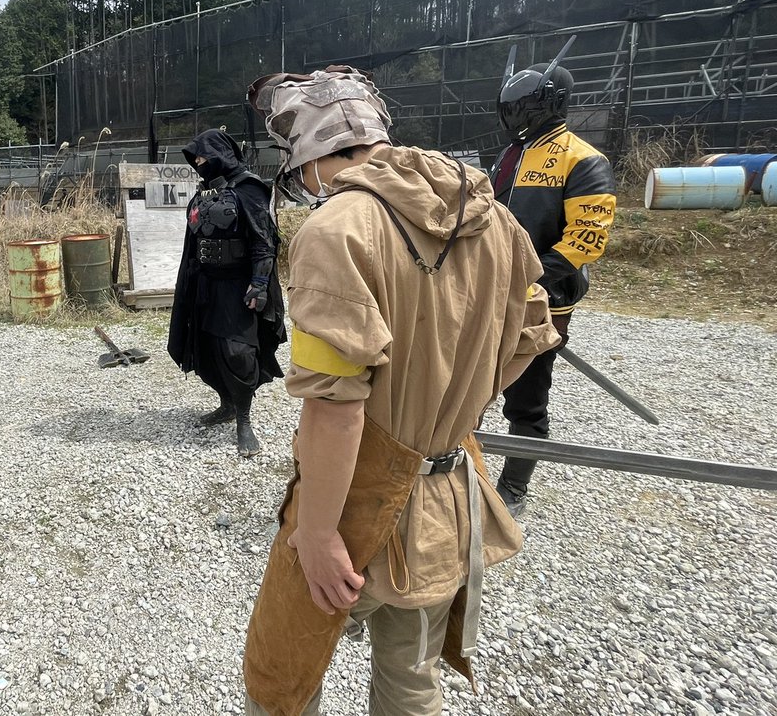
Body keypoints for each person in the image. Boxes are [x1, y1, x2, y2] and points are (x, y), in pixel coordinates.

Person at [241, 66, 560, 716]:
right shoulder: (494, 218)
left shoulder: (335, 231)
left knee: (281, 683)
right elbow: (532, 335)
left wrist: (319, 533)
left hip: (351, 504)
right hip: (448, 494)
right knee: (412, 684)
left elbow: (334, 407)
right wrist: (449, 403)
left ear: (309, 158)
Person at [489, 42, 617, 517]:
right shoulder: (509, 155)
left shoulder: (584, 160)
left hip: (544, 299)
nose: (515, 114)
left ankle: (514, 487)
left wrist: (530, 279)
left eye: (523, 105)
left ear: (552, 102)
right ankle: (464, 468)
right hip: (490, 293)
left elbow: (586, 238)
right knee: (472, 384)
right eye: (511, 106)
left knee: (526, 396)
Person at [167, 128, 286, 457]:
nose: (198, 163)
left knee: (237, 352)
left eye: (202, 156)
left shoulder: (248, 188)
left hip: (237, 286)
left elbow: (264, 241)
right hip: (205, 284)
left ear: (220, 154)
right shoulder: (204, 193)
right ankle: (227, 404)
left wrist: (259, 284)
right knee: (205, 348)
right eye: (195, 158)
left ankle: (244, 420)